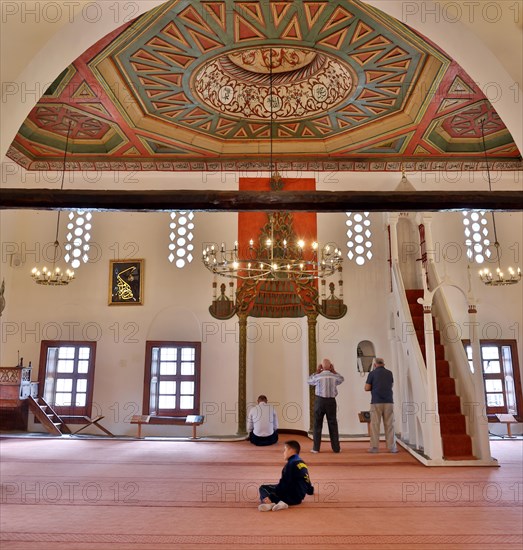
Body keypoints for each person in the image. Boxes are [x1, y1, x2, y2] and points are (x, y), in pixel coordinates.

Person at [258, 440, 314, 512]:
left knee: (263, 488)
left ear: (290, 450)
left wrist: (271, 496)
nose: (283, 453)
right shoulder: (302, 463)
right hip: (298, 499)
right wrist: (310, 491)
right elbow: (307, 480)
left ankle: (274, 501)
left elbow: (284, 483)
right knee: (285, 486)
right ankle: (272, 504)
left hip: (288, 498)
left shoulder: (291, 464)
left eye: (285, 450)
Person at [307, 358, 344, 453]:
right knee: (333, 424)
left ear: (322, 366)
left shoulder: (318, 376)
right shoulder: (334, 376)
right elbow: (342, 379)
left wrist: (317, 371)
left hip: (320, 401)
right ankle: (336, 448)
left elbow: (309, 381)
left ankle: (316, 448)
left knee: (317, 424)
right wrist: (334, 371)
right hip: (331, 402)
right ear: (330, 366)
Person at [365, 357, 398, 453]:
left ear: (375, 365)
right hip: (388, 401)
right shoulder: (389, 373)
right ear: (384, 364)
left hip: (376, 401)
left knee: (375, 425)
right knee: (389, 425)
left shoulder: (372, 374)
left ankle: (374, 447)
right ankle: (392, 447)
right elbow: (391, 385)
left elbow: (367, 388)